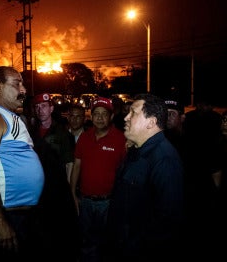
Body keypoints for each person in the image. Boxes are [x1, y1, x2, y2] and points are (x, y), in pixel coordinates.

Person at [0, 66, 45, 261]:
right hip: (3, 215)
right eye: (16, 84)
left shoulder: (14, 117)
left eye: (23, 84)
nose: (23, 90)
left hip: (20, 215)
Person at [106, 93, 184, 262]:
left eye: (133, 113)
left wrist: (135, 247)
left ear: (151, 122)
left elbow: (168, 221)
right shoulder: (136, 152)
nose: (126, 117)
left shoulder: (164, 159)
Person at [70, 96, 126, 262]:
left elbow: (125, 172)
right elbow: (77, 165)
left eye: (104, 114)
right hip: (85, 201)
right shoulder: (84, 138)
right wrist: (73, 192)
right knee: (86, 240)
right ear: (91, 116)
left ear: (111, 116)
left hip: (108, 203)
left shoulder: (121, 139)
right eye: (96, 114)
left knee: (107, 242)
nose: (100, 117)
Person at [29, 93, 79, 261]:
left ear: (51, 108)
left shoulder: (62, 133)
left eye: (43, 106)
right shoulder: (30, 133)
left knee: (57, 229)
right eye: (37, 107)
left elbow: (69, 163)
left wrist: (69, 191)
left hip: (56, 189)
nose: (40, 110)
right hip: (36, 189)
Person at [182, 100, 224, 259]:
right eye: (203, 104)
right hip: (197, 169)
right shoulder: (193, 118)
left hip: (205, 168)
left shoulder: (213, 118)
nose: (205, 107)